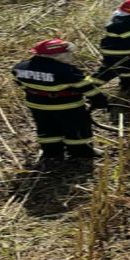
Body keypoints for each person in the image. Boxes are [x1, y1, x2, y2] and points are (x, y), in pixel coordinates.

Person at [12, 38, 107, 166]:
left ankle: (52, 153)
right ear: (57, 55)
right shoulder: (66, 70)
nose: (70, 55)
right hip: (68, 106)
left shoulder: (20, 67)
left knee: (47, 129)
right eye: (67, 53)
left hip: (37, 106)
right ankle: (81, 153)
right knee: (76, 129)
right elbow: (85, 87)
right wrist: (99, 99)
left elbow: (21, 84)